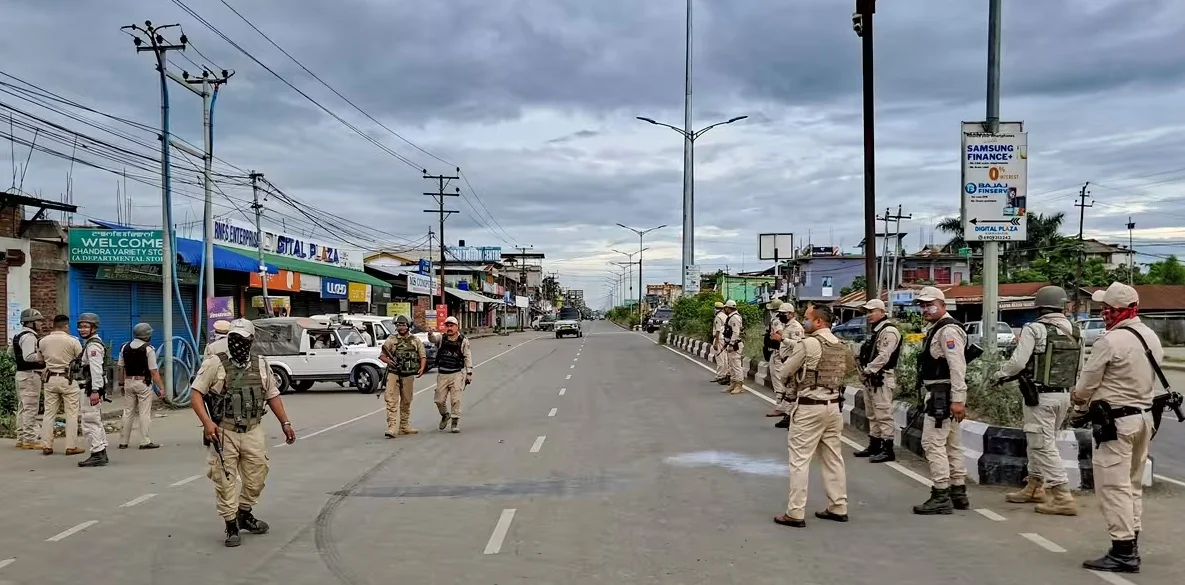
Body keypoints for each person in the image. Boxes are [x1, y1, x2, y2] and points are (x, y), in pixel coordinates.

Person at [1072, 282, 1161, 573]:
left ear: (1119, 311)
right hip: (1144, 419)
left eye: (1106, 309)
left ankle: (1123, 551)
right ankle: (1131, 539)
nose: (1104, 313)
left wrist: (1078, 405)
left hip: (1116, 424)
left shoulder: (1110, 341)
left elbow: (1087, 383)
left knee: (1113, 486)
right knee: (1132, 484)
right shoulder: (1150, 336)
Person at [191, 318, 295, 547]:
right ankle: (231, 526)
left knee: (257, 475)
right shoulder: (214, 363)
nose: (238, 344)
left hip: (252, 430)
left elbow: (272, 395)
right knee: (225, 479)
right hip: (224, 431)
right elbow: (196, 394)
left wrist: (285, 423)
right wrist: (208, 424)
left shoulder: (261, 364)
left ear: (251, 341)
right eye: (234, 339)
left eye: (243, 340)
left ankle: (244, 512)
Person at [996, 285, 1082, 514]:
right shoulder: (1075, 330)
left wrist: (999, 375)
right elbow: (1080, 367)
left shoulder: (1034, 329)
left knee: (1043, 445)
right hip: (1063, 396)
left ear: (1040, 308)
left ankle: (1062, 496)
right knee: (1040, 441)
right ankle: (1034, 486)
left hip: (1040, 397)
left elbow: (1017, 363)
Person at [773, 303, 849, 528]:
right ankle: (838, 506)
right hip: (833, 406)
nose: (804, 321)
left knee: (799, 460)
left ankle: (795, 512)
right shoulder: (840, 345)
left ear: (818, 322)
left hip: (809, 407)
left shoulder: (809, 344)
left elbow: (785, 371)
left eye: (807, 318)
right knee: (833, 458)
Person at [912, 287, 970, 515]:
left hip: (942, 396)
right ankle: (958, 492)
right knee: (952, 445)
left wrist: (958, 400)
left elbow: (957, 367)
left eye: (929, 304)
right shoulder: (938, 328)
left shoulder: (947, 331)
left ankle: (941, 493)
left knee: (932, 444)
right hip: (944, 395)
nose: (925, 309)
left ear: (943, 304)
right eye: (922, 305)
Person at [854, 299, 902, 463]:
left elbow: (884, 356)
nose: (868, 315)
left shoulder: (889, 331)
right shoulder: (876, 331)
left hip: (881, 377)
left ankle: (888, 449)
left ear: (882, 312)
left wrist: (868, 370)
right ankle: (874, 445)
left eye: (871, 311)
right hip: (872, 378)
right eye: (867, 312)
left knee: (883, 414)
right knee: (872, 414)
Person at [37, 315, 84, 456]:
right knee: (71, 413)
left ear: (53, 325)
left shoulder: (42, 341)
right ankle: (70, 446)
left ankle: (46, 445)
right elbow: (80, 359)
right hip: (68, 379)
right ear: (66, 326)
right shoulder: (72, 341)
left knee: (49, 413)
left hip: (50, 379)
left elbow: (40, 360)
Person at [117, 323, 164, 450]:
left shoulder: (124, 347)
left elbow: (120, 368)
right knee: (144, 413)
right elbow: (154, 371)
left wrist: (121, 383)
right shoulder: (148, 349)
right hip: (143, 383)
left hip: (128, 382)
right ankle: (144, 441)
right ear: (148, 335)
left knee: (127, 412)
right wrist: (161, 387)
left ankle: (123, 441)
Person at [379, 315, 426, 438]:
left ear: (408, 326)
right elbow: (382, 355)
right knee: (391, 400)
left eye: (403, 325)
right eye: (399, 325)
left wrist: (421, 368)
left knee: (406, 400)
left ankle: (404, 426)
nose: (401, 327)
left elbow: (422, 356)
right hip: (394, 373)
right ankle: (392, 427)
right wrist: (390, 362)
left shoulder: (415, 340)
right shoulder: (391, 340)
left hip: (408, 375)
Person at [76, 312, 111, 468]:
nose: (82, 329)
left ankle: (97, 453)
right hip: (91, 386)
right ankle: (101, 451)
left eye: (86, 326)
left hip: (90, 387)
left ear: (94, 328)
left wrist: (95, 390)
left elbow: (96, 370)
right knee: (94, 419)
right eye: (80, 326)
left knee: (90, 420)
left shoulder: (93, 346)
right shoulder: (91, 343)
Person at [12, 308, 46, 450]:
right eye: (38, 321)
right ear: (30, 323)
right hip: (30, 375)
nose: (40, 323)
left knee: (23, 408)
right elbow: (28, 356)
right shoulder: (30, 337)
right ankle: (29, 439)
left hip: (21, 374)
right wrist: (42, 356)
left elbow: (11, 353)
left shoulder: (18, 335)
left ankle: (21, 438)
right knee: (31, 408)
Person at [434, 316, 472, 433]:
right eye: (448, 326)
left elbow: (467, 356)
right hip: (442, 374)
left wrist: (469, 372)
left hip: (456, 373)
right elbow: (432, 340)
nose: (449, 328)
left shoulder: (463, 341)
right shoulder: (441, 338)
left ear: (457, 327)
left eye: (452, 326)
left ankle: (455, 421)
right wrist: (430, 334)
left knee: (456, 400)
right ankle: (445, 415)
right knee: (439, 400)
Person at [768, 302, 804, 422]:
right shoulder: (786, 325)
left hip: (791, 360)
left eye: (784, 314)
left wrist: (782, 339)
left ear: (791, 314)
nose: (781, 316)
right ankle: (788, 414)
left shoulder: (796, 327)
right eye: (780, 313)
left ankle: (789, 415)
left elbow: (799, 345)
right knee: (788, 388)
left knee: (790, 389)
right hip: (784, 359)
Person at [722, 300, 745, 395]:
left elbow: (736, 332)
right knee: (731, 366)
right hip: (731, 344)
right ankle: (733, 383)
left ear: (729, 308)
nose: (725, 309)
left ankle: (739, 385)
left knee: (736, 366)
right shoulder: (731, 317)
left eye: (726, 308)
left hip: (735, 345)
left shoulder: (734, 318)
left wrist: (731, 344)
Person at [710, 301, 729, 385]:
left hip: (719, 338)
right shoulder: (725, 316)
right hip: (725, 338)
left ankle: (720, 375)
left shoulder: (718, 317)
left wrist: (716, 342)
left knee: (719, 357)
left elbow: (717, 330)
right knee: (724, 357)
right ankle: (724, 374)